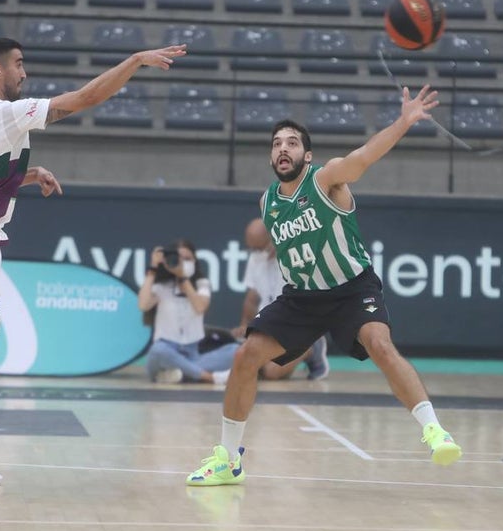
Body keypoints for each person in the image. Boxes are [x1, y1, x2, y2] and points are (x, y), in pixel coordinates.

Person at [0, 36, 186, 493]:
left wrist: (26, 175)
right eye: (18, 64)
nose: (24, 72)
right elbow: (84, 99)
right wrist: (135, 60)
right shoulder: (4, 112)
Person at [186, 86, 462, 486]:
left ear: (307, 155)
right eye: (277, 143)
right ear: (270, 155)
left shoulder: (326, 179)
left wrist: (403, 122)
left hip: (352, 289)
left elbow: (364, 157)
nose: (283, 149)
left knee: (380, 345)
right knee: (246, 356)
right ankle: (228, 460)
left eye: (293, 143)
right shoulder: (267, 202)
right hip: (302, 298)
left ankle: (434, 429)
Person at [234, 217, 329, 381]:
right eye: (252, 249)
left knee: (271, 372)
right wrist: (245, 325)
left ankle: (311, 348)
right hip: (267, 324)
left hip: (298, 324)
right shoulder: (256, 258)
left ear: (274, 237)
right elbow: (252, 298)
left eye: (259, 248)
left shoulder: (299, 255)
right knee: (249, 364)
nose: (256, 253)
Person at [139, 239, 239, 385]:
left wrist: (183, 279)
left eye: (187, 259)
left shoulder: (201, 284)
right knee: (157, 350)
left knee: (235, 350)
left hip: (192, 354)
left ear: (195, 261)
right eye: (179, 258)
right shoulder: (161, 286)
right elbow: (143, 305)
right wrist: (153, 269)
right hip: (166, 352)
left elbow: (200, 307)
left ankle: (177, 375)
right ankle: (209, 377)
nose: (183, 262)